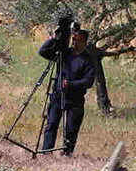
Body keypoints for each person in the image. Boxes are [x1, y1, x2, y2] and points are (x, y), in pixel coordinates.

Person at [38, 27, 96, 156]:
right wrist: (54, 39)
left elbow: (88, 82)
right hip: (57, 96)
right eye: (73, 39)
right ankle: (46, 152)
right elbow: (43, 52)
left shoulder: (87, 60)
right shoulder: (64, 53)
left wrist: (70, 84)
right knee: (51, 125)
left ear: (85, 42)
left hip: (75, 99)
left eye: (78, 40)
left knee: (71, 129)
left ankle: (66, 154)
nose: (74, 42)